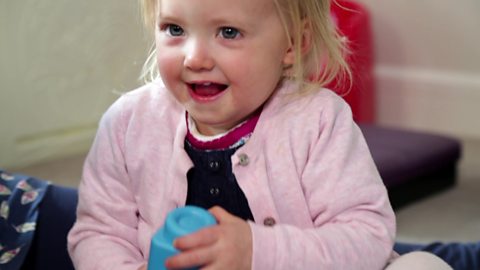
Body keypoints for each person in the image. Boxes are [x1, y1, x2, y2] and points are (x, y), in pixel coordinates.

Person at [66, 0, 449, 269]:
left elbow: (367, 238)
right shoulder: (127, 123)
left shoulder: (317, 121)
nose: (195, 58)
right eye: (175, 29)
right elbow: (99, 231)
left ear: (292, 44)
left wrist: (257, 252)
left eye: (228, 32)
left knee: (422, 265)